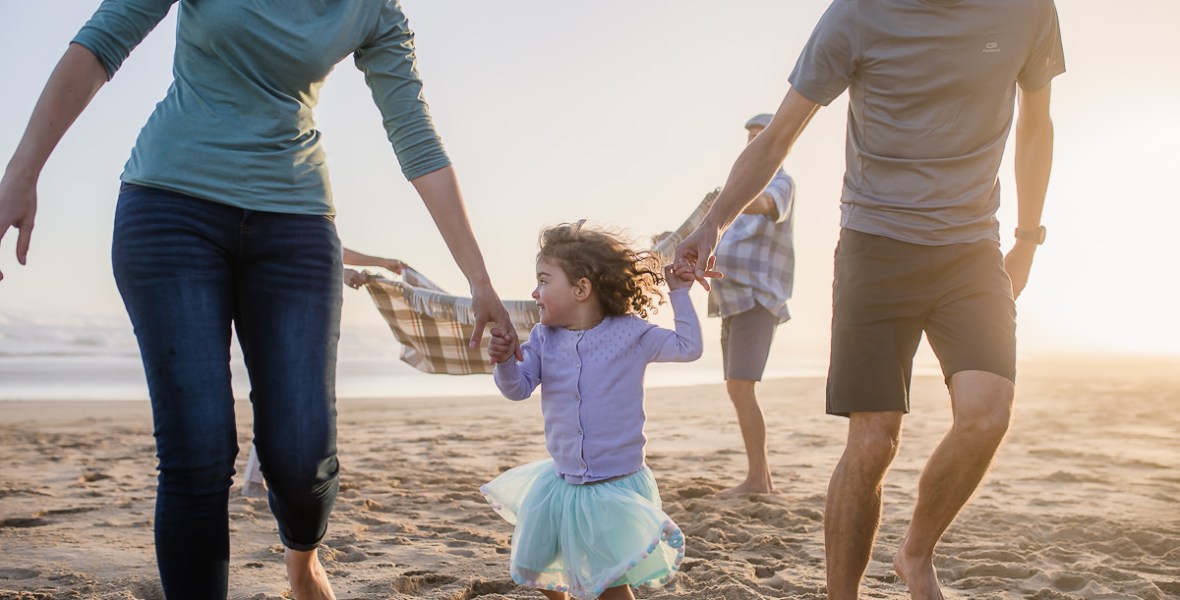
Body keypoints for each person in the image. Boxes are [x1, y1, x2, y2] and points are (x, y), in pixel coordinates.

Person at [0, 1, 520, 598]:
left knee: (302, 456)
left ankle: (302, 561)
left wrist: (478, 279)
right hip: (170, 207)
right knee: (197, 451)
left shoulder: (373, 8)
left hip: (294, 222)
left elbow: (414, 132)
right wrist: (22, 170)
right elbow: (102, 42)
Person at [675, 1, 1064, 598]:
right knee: (874, 440)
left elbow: (1037, 124)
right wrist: (713, 224)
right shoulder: (856, 15)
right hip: (875, 245)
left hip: (972, 246)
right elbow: (779, 135)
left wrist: (1028, 239)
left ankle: (915, 554)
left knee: (987, 415)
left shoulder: (1026, 10)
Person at [482, 222, 706, 600]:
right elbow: (517, 388)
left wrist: (680, 293)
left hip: (614, 487)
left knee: (610, 589)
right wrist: (504, 361)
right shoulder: (542, 337)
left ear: (581, 288)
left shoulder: (631, 334)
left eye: (544, 281)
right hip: (561, 484)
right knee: (539, 572)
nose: (534, 293)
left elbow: (688, 346)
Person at [710, 113, 796, 496]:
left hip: (758, 298)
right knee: (736, 387)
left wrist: (725, 201)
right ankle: (761, 477)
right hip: (731, 298)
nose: (753, 143)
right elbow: (717, 238)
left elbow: (763, 205)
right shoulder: (735, 192)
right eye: (750, 137)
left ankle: (757, 480)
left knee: (742, 387)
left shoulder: (782, 181)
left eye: (761, 136)